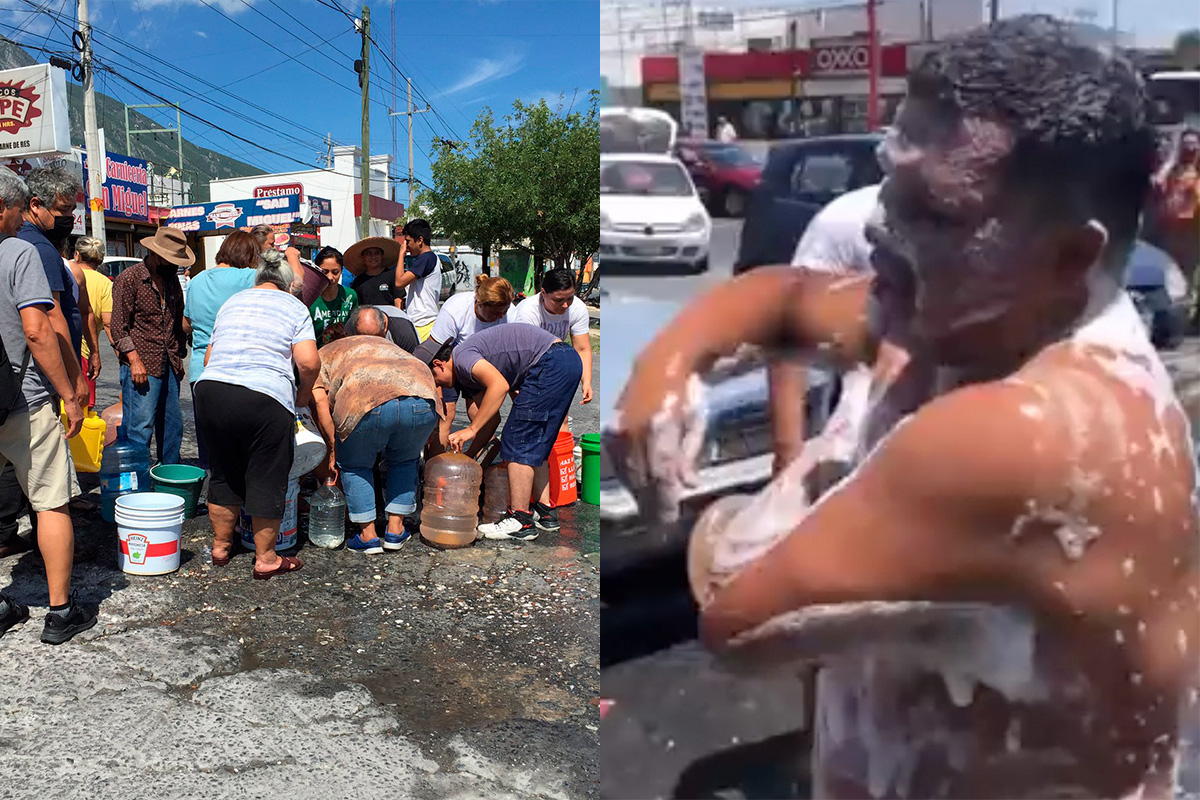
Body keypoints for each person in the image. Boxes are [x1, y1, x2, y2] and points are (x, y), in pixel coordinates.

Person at [612, 16, 1199, 798]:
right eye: (889, 179)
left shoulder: (1028, 432)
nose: (881, 224)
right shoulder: (965, 317)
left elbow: (736, 615)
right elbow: (782, 298)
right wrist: (666, 363)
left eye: (936, 211)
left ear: (1068, 256)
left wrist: (802, 481)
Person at [0, 167, 96, 644]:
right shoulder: (18, 252)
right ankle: (60, 612)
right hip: (22, 401)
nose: (20, 221)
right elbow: (39, 330)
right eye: (18, 212)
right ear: (7, 208)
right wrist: (68, 393)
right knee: (51, 502)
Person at [195, 248, 318, 579]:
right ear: (287, 282)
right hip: (264, 396)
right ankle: (265, 558)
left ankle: (221, 545)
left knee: (224, 471)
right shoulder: (294, 306)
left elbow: (209, 358)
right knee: (266, 474)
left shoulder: (232, 303)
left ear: (258, 276)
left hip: (211, 391)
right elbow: (307, 362)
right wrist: (301, 397)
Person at [427, 323, 582, 541]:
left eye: (434, 379)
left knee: (518, 440)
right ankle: (545, 511)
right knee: (535, 439)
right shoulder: (469, 364)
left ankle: (520, 520)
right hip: (566, 360)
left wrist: (471, 429)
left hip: (550, 361)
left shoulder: (462, 357)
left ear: (439, 364)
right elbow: (495, 413)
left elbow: (499, 386)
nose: (438, 386)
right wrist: (469, 457)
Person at [308, 306, 441, 554]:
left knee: (356, 465)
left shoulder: (331, 350)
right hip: (422, 400)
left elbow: (319, 402)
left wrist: (332, 443)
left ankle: (367, 536)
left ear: (348, 330)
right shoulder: (398, 350)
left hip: (366, 402)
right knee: (404, 461)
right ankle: (395, 531)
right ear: (385, 328)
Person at [512, 268, 593, 530]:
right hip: (531, 373)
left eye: (569, 297)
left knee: (560, 429)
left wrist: (587, 381)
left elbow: (581, 347)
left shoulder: (576, 307)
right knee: (529, 433)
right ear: (542, 293)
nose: (566, 304)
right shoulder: (527, 311)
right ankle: (528, 499)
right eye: (559, 300)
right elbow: (523, 357)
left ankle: (554, 496)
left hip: (559, 372)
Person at [109, 228, 189, 466]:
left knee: (173, 426)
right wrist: (134, 360)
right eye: (170, 259)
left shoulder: (172, 281)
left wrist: (179, 357)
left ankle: (169, 476)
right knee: (140, 427)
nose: (174, 265)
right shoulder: (130, 279)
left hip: (169, 363)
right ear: (155, 254)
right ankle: (138, 480)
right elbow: (118, 327)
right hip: (142, 364)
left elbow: (176, 320)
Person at [182, 230, 259, 467]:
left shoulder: (196, 280)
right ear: (250, 255)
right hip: (241, 369)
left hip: (201, 372)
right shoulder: (251, 277)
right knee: (243, 442)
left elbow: (186, 324)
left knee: (210, 442)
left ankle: (214, 496)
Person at [415, 274, 515, 455]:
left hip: (481, 368)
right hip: (450, 364)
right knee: (446, 414)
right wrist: (436, 394)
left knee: (482, 416)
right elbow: (435, 351)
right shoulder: (456, 308)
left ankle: (475, 464)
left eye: (503, 312)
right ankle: (434, 469)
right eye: (494, 313)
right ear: (479, 303)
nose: (500, 316)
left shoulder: (512, 315)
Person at [15, 166, 86, 413]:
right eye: (63, 210)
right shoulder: (41, 249)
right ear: (35, 205)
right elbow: (51, 319)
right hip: (41, 382)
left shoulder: (18, 241)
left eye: (72, 210)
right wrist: (75, 381)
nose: (70, 218)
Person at [1151, 128, 1200, 328]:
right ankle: (1178, 317)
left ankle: (1188, 318)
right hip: (1172, 229)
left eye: (1193, 143)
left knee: (1191, 274)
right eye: (1185, 143)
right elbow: (1157, 181)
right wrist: (1170, 161)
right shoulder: (1174, 169)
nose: (1189, 147)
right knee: (1173, 273)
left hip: (1194, 229)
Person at [73, 236, 111, 411]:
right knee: (83, 408)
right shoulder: (104, 283)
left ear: (77, 255)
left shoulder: (67, 272)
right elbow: (108, 323)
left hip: (60, 349)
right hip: (85, 352)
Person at [392, 219, 441, 341]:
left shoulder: (426, 258)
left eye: (408, 241)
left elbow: (399, 282)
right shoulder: (429, 258)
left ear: (420, 240)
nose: (406, 246)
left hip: (423, 322)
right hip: (422, 321)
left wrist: (401, 255)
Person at [309, 246, 359, 346]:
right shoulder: (309, 298)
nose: (330, 277)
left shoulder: (350, 296)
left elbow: (354, 328)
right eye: (325, 272)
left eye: (335, 272)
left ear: (341, 271)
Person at [346, 237, 403, 308]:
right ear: (363, 257)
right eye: (368, 254)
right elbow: (358, 306)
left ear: (382, 256)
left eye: (377, 253)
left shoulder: (392, 276)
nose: (373, 257)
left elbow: (398, 299)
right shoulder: (359, 281)